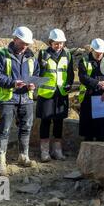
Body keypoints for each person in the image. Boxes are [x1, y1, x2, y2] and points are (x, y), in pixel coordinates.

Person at [0, 26, 40, 176]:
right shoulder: (2, 54)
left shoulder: (31, 56)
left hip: (26, 98)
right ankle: (1, 161)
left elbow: (37, 73)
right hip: (7, 98)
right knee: (5, 129)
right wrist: (12, 83)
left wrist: (34, 84)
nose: (25, 46)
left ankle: (23, 156)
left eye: (27, 43)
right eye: (23, 42)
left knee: (26, 127)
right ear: (15, 39)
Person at [36, 29, 74, 162]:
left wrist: (69, 84)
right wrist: (43, 64)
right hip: (47, 94)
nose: (59, 46)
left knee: (59, 122)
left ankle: (57, 150)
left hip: (61, 93)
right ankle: (44, 152)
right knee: (45, 121)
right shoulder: (42, 54)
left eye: (61, 43)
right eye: (56, 43)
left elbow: (70, 74)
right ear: (50, 42)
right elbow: (38, 75)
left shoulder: (67, 55)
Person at [78, 38, 104, 142]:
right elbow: (83, 77)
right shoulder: (84, 60)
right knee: (88, 131)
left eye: (101, 52)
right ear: (92, 50)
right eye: (97, 52)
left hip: (103, 98)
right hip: (88, 98)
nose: (99, 54)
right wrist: (97, 83)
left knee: (101, 131)